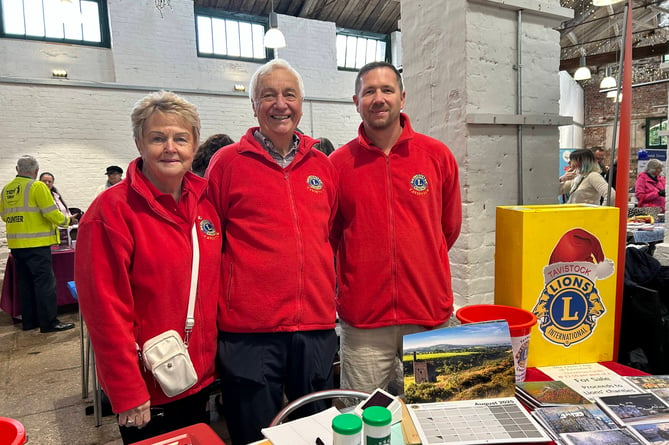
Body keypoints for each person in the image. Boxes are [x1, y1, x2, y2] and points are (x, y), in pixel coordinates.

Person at [74, 91, 222, 444]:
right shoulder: (110, 213)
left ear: (194, 144)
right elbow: (104, 312)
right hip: (148, 389)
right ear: (139, 142)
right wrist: (126, 391)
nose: (170, 147)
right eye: (158, 138)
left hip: (197, 376)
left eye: (180, 138)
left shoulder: (205, 205)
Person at [206, 59, 339, 445]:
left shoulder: (322, 166)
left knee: (316, 432)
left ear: (301, 102)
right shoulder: (227, 163)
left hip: (313, 326)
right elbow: (212, 240)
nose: (280, 104)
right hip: (249, 332)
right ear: (253, 105)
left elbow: (327, 232)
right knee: (255, 435)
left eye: (289, 94)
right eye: (268, 95)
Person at [329, 61, 462, 395]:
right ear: (355, 101)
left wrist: (419, 259)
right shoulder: (338, 165)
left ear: (402, 98)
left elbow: (448, 227)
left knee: (431, 412)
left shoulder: (437, 156)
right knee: (359, 416)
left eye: (387, 90)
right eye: (369, 91)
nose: (378, 98)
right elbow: (331, 236)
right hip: (364, 323)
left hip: (428, 315)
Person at [0, 155, 76, 333]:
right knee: (45, 285)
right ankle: (49, 323)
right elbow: (51, 213)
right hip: (37, 244)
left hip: (16, 245)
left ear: (17, 170)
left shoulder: (6, 189)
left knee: (25, 284)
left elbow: (4, 215)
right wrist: (67, 222)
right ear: (36, 171)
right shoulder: (37, 186)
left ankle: (29, 321)